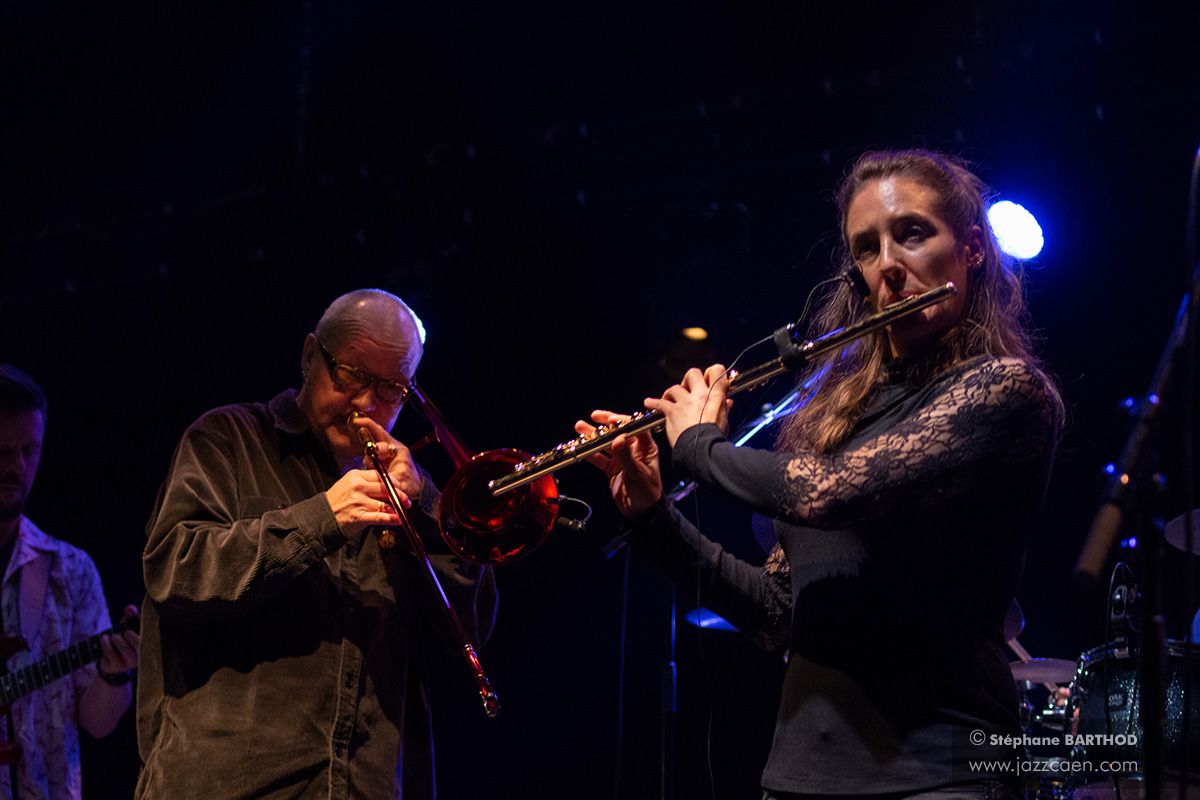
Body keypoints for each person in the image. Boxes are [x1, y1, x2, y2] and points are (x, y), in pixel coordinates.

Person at [578, 150, 1064, 799]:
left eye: (913, 233)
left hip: (941, 778)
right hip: (800, 778)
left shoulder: (1006, 393)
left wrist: (697, 444)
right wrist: (650, 516)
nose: (889, 264)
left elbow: (829, 493)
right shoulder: (837, 418)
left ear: (972, 248)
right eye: (866, 248)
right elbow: (779, 611)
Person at [136, 289, 497, 799]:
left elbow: (471, 630)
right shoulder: (227, 438)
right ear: (310, 356)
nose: (367, 404)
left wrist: (430, 521)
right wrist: (323, 518)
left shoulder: (411, 488)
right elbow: (176, 572)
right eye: (352, 374)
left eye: (392, 388)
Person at [0, 365, 140, 800]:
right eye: (2, 452)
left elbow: (97, 724)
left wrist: (115, 675)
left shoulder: (71, 569)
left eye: (30, 450)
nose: (17, 467)